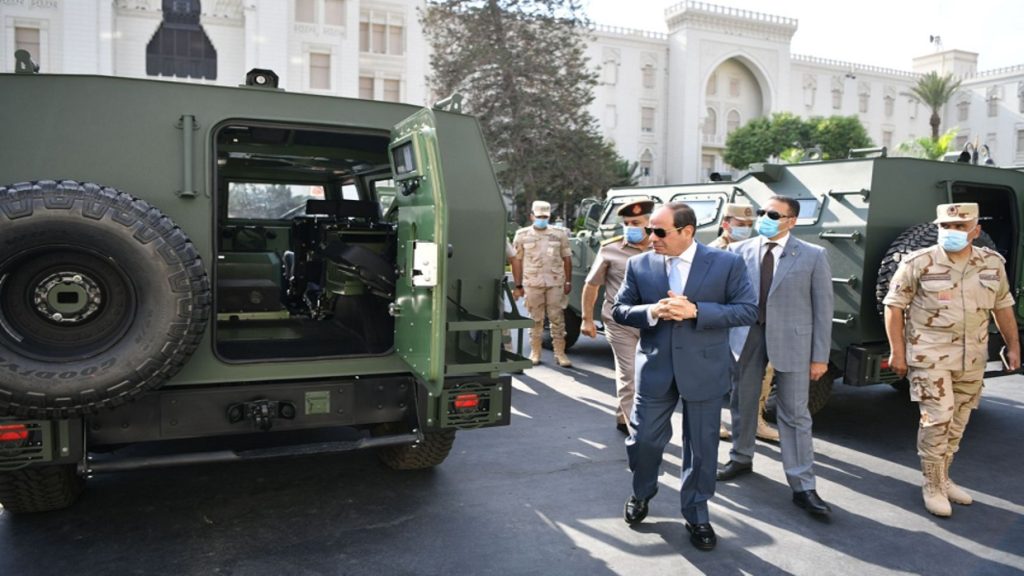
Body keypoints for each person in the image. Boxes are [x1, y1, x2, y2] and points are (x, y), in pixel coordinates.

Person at [612, 202, 757, 551]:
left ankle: (697, 513)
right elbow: (619, 309)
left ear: (687, 231)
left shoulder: (726, 263)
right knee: (644, 441)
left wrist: (696, 311)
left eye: (660, 232)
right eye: (650, 230)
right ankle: (642, 492)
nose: (651, 237)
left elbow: (747, 310)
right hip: (656, 369)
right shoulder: (639, 264)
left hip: (705, 370)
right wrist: (652, 311)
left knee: (702, 449)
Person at [882, 202, 1020, 517]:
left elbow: (1002, 305)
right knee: (937, 419)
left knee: (958, 421)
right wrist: (897, 351)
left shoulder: (992, 263)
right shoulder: (919, 262)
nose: (952, 231)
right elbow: (894, 305)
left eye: (960, 226)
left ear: (976, 230)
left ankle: (944, 477)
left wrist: (1013, 345)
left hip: (972, 358)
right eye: (946, 226)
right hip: (930, 356)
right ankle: (931, 484)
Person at [717, 195, 835, 519]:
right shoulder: (738, 251)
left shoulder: (813, 255)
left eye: (772, 214)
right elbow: (727, 299)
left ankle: (803, 485)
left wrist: (820, 357)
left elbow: (824, 309)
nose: (764, 218)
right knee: (742, 400)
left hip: (794, 342)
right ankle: (740, 458)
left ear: (791, 221)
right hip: (747, 336)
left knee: (795, 413)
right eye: (762, 212)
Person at [581, 200, 654, 434]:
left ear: (649, 223)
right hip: (619, 322)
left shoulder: (661, 246)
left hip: (653, 322)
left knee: (650, 376)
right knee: (630, 375)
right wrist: (586, 319)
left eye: (636, 223)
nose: (630, 227)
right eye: (626, 223)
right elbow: (591, 285)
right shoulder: (610, 249)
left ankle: (624, 415)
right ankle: (637, 431)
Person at [710, 203, 779, 444]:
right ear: (726, 224)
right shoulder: (712, 252)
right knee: (717, 372)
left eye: (750, 224)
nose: (747, 228)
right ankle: (712, 418)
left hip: (751, 323)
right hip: (723, 321)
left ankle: (756, 419)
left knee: (761, 373)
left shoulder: (758, 248)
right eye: (741, 224)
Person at [512, 200, 573, 367]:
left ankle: (560, 353)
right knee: (535, 319)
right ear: (532, 216)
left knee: (557, 318)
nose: (542, 219)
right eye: (539, 216)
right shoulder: (522, 235)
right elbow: (517, 261)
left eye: (545, 217)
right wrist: (518, 285)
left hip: (555, 282)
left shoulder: (559, 234)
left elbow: (567, 258)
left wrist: (568, 281)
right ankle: (535, 352)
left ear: (549, 216)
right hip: (532, 283)